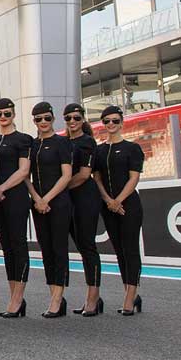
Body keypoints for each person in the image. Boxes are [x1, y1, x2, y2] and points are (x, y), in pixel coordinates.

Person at [93, 105, 144, 316]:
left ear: (121, 122)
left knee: (130, 249)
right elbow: (96, 177)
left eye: (114, 120)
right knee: (119, 251)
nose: (111, 124)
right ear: (103, 125)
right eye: (107, 121)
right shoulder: (99, 150)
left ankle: (129, 297)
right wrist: (108, 200)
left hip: (129, 205)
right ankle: (131, 293)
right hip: (108, 206)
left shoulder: (133, 148)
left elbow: (134, 178)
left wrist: (118, 200)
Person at [0, 97, 33, 318]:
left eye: (7, 113)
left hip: (16, 196)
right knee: (6, 247)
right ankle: (14, 294)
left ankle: (17, 298)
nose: (3, 117)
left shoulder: (23, 139)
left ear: (13, 114)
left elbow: (24, 171)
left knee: (18, 243)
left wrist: (1, 188)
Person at [27, 102, 74, 318]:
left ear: (53, 118)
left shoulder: (62, 143)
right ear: (34, 121)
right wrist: (37, 198)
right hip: (37, 203)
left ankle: (58, 297)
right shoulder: (32, 145)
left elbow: (66, 176)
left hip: (58, 202)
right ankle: (53, 293)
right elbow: (26, 176)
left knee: (59, 249)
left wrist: (46, 198)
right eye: (38, 119)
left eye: (46, 118)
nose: (43, 122)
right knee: (46, 250)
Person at [63, 103, 104, 316]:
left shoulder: (87, 142)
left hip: (85, 197)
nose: (72, 122)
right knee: (80, 245)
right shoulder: (62, 142)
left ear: (83, 119)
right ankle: (94, 295)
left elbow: (83, 174)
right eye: (68, 118)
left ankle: (93, 296)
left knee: (87, 246)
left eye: (76, 118)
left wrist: (60, 187)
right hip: (67, 200)